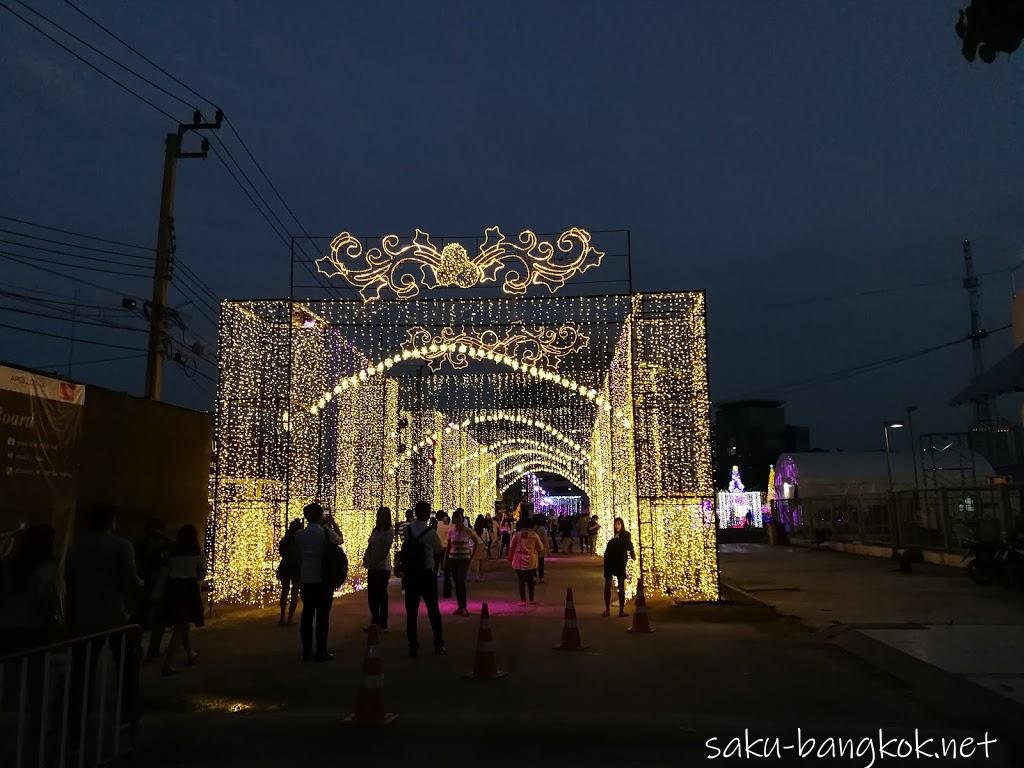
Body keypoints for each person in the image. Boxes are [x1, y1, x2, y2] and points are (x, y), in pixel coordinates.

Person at [65, 504, 142, 739]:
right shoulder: (121, 546)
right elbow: (130, 579)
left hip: (84, 617)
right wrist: (140, 588)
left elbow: (70, 581)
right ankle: (126, 716)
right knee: (126, 667)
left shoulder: (76, 548)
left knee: (82, 673)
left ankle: (76, 726)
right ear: (112, 521)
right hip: (115, 616)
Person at [0, 523, 60, 654]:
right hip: (31, 629)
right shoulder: (45, 571)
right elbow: (45, 601)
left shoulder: (9, 567)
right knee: (31, 670)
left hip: (5, 626)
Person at [294, 503, 342, 662]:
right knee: (323, 616)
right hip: (323, 578)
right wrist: (333, 523)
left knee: (307, 614)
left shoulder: (299, 534)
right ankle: (321, 651)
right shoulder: (326, 533)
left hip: (306, 577)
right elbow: (340, 540)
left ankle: (306, 651)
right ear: (321, 516)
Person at [161, 525, 207, 676]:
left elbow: (166, 571)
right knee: (180, 626)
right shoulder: (197, 554)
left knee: (183, 623)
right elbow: (201, 574)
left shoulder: (172, 554)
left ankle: (189, 653)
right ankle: (168, 664)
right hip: (188, 589)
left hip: (173, 589)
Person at [403, 501, 445, 657]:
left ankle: (413, 646)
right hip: (426, 573)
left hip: (411, 574)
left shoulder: (407, 529)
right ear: (428, 514)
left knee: (411, 612)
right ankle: (438, 644)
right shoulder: (430, 533)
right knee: (433, 610)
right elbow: (439, 549)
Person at [134, 518, 171, 660]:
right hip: (148, 586)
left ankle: (151, 650)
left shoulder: (166, 544)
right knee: (143, 620)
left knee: (156, 619)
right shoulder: (142, 545)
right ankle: (140, 649)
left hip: (155, 586)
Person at [363, 507, 394, 630]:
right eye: (379, 514)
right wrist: (366, 558)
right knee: (372, 595)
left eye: (383, 515)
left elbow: (385, 550)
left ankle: (382, 623)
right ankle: (375, 620)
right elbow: (370, 545)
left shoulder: (389, 531)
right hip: (373, 565)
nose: (380, 517)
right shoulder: (375, 530)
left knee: (381, 594)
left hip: (382, 567)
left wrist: (376, 562)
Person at [446, 509, 480, 614]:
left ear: (462, 519)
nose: (457, 520)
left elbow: (476, 542)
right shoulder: (451, 531)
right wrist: (446, 559)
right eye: (455, 518)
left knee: (461, 581)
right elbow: (448, 546)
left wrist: (472, 556)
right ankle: (460, 607)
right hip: (453, 559)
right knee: (456, 582)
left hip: (464, 560)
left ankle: (464, 607)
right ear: (454, 519)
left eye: (459, 518)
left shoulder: (467, 530)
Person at [602, 517, 636, 617]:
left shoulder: (615, 540)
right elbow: (633, 555)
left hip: (611, 562)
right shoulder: (625, 541)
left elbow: (607, 552)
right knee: (619, 585)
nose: (617, 526)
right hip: (617, 562)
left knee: (611, 584)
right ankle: (618, 611)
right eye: (616, 524)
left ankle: (610, 610)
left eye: (619, 524)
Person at [508, 517, 545, 606]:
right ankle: (531, 599)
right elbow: (541, 547)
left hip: (519, 559)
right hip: (531, 560)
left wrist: (510, 556)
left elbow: (511, 546)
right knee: (530, 581)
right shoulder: (534, 535)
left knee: (521, 581)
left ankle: (523, 601)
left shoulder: (517, 535)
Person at [276, 519, 303, 626]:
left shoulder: (285, 540)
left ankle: (282, 616)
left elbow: (281, 552)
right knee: (294, 593)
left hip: (286, 566)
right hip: (297, 567)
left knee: (284, 591)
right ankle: (290, 619)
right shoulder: (300, 541)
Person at [530, 508, 547, 584]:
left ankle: (534, 577)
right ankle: (541, 577)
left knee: (533, 563)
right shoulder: (542, 528)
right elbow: (545, 539)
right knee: (541, 563)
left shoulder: (532, 528)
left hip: (533, 547)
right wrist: (547, 548)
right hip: (540, 547)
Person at [470, 515, 488, 582]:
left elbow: (471, 540)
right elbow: (487, 540)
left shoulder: (474, 531)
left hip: (476, 546)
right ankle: (482, 577)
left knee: (476, 562)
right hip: (483, 547)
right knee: (482, 563)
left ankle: (477, 577)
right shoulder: (485, 530)